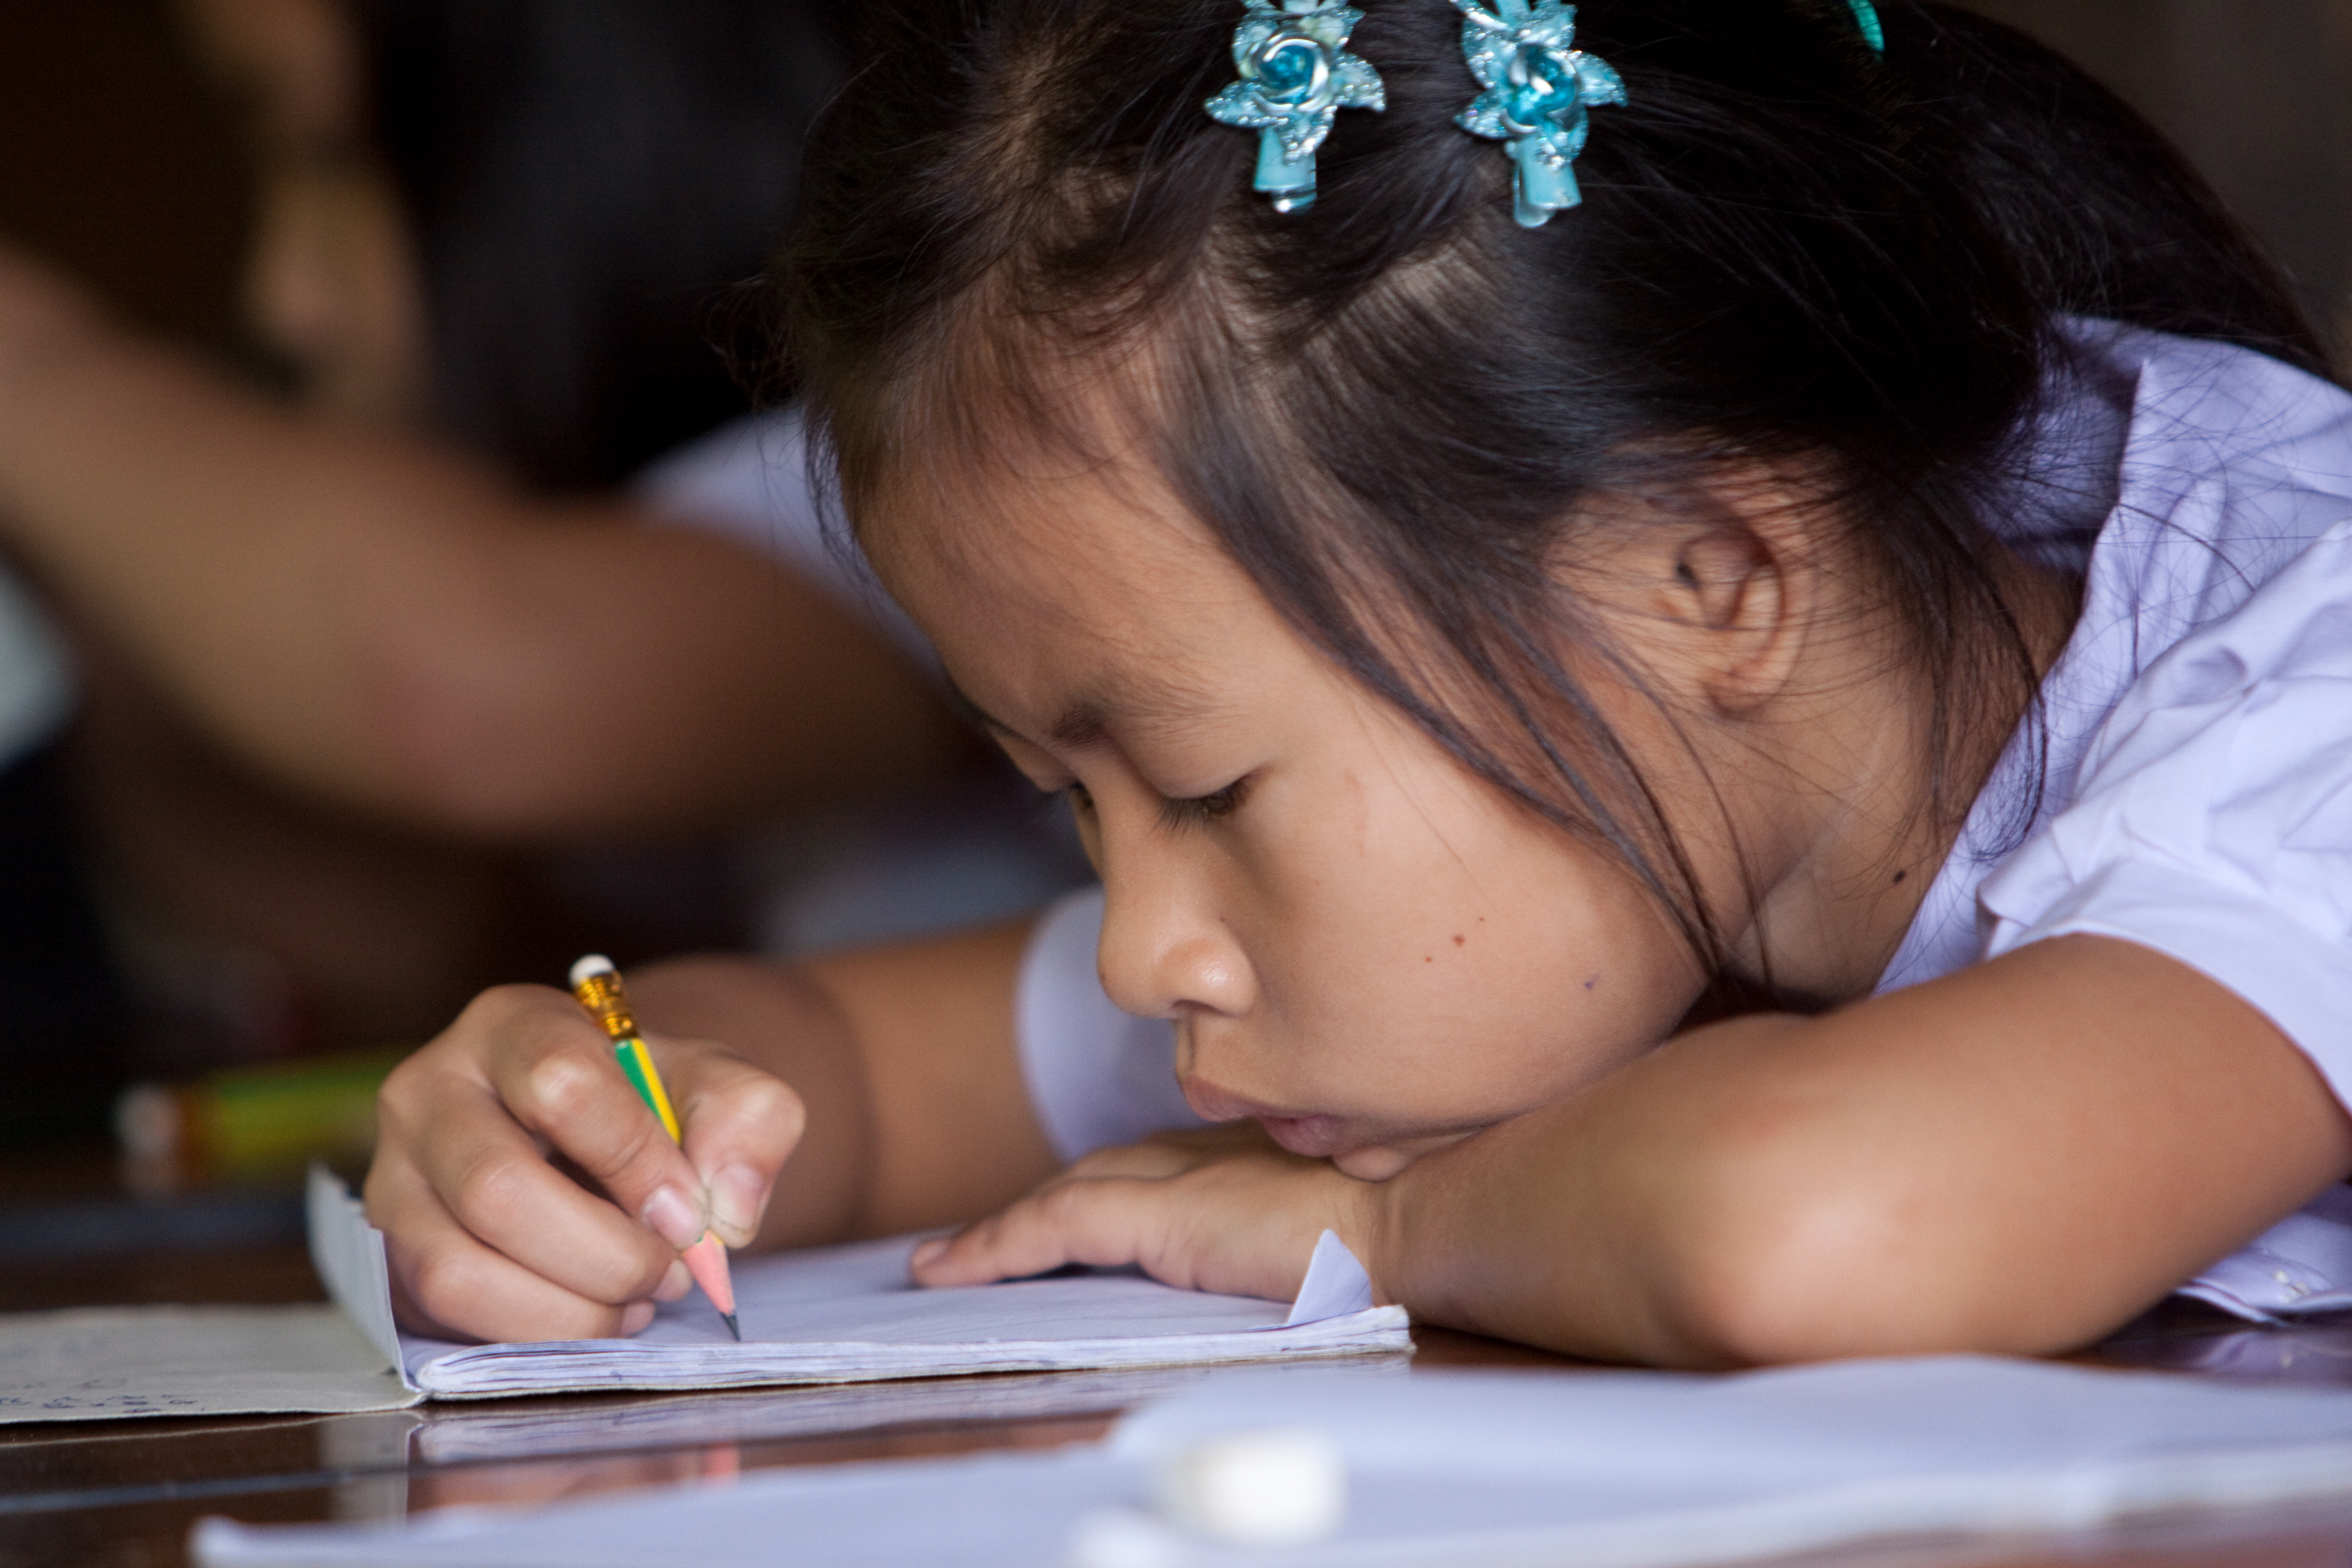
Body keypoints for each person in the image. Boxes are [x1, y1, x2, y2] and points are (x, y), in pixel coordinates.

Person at [362, 0, 2352, 1366]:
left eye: (1210, 794)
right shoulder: (1566, 852)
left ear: (1709, 587)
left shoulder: (2300, 685)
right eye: (1075, 805)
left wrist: (1383, 1239)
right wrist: (583, 1126)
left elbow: (1824, 1230)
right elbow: (863, 1076)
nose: (1143, 951)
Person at [0, 0, 991, 1052]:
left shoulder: (910, 475)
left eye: (330, 154)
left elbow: (466, 687)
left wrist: (26, 365)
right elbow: (408, 928)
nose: (288, 300)